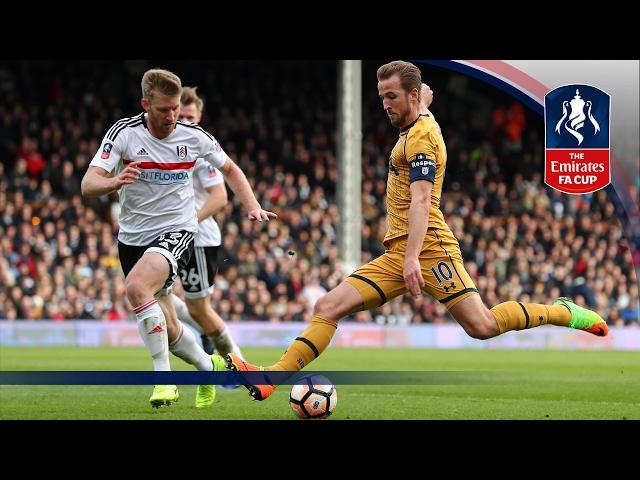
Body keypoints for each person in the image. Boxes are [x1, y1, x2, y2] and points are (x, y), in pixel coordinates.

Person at [225, 60, 608, 401]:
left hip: (429, 248)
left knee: (482, 325)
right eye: (381, 97)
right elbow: (422, 99)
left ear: (410, 95)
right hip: (398, 250)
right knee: (327, 306)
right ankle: (270, 377)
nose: (385, 104)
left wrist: (412, 259)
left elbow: (423, 201)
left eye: (392, 96)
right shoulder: (417, 116)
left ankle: (562, 312)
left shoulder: (423, 137)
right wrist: (421, 99)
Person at [81, 68, 275, 408]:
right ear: (145, 105)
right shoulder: (123, 134)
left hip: (178, 230)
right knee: (168, 328)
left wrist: (253, 204)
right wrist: (113, 181)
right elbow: (88, 184)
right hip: (132, 236)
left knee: (137, 288)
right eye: (164, 110)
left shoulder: (193, 136)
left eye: (175, 109)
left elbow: (230, 168)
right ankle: (208, 365)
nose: (172, 116)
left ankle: (164, 380)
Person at [171, 86, 244, 366]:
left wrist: (187, 222)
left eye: (192, 117)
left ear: (199, 117)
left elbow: (219, 197)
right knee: (149, 292)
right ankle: (204, 340)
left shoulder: (200, 151)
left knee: (199, 309)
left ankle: (237, 362)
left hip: (198, 239)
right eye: (182, 116)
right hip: (170, 236)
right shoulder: (166, 147)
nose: (186, 122)